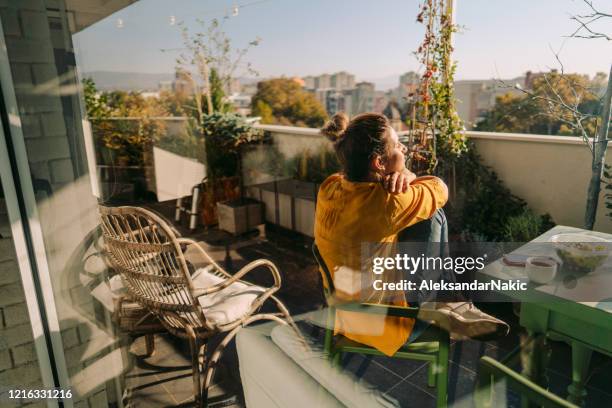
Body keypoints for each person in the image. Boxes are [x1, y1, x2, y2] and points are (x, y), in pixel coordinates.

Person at [314, 112, 508, 357]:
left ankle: (449, 298)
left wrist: (400, 173)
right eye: (397, 146)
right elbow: (440, 189)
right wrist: (407, 175)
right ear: (378, 163)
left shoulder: (329, 187)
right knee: (433, 215)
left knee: (414, 223)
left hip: (344, 315)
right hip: (387, 324)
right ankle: (447, 300)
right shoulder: (388, 203)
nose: (403, 149)